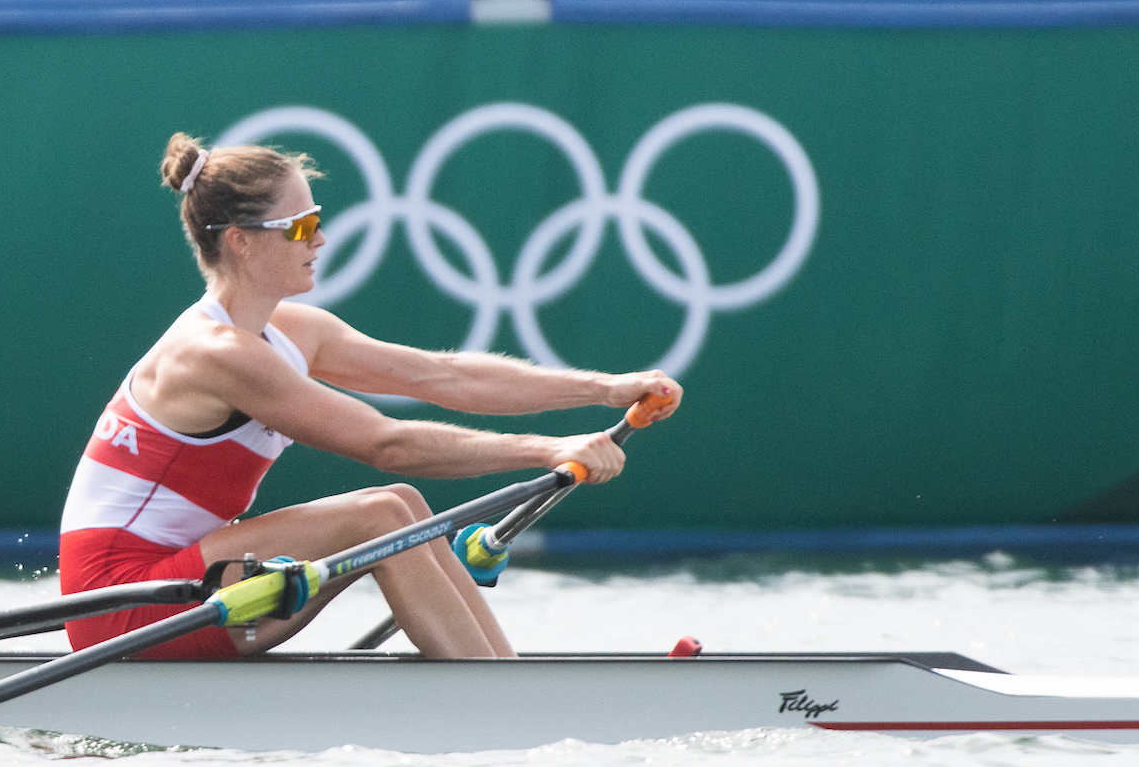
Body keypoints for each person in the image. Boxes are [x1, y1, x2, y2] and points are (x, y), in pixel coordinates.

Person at [58, 133, 680, 660]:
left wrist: (604, 389)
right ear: (241, 241)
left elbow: (444, 377)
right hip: (122, 602)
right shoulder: (217, 354)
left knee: (404, 505)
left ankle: (502, 677)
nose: (319, 239)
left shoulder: (294, 332)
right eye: (299, 227)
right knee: (381, 513)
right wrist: (550, 449)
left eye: (317, 220)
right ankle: (501, 702)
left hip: (183, 582)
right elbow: (388, 443)